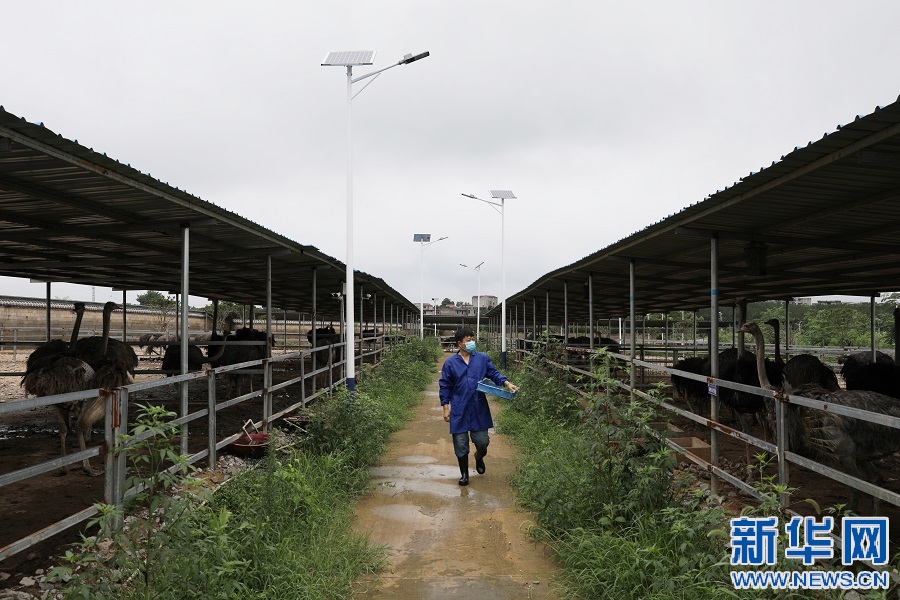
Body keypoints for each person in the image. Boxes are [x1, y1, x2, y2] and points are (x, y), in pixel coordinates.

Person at [438, 327, 519, 486]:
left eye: (472, 339)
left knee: (482, 441)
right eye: (468, 340)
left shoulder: (482, 358)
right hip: (460, 408)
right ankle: (464, 474)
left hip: (478, 407)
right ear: (459, 343)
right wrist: (445, 408)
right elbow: (445, 386)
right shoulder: (450, 363)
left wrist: (507, 383)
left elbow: (494, 373)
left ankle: (479, 457)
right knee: (460, 443)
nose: (472, 342)